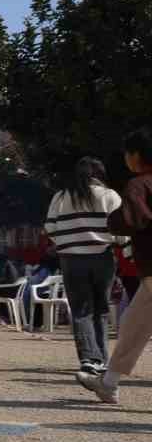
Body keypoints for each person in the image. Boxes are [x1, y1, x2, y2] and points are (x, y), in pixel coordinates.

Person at [79, 128, 152, 404]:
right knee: (133, 324)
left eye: (127, 153)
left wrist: (113, 220)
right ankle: (108, 383)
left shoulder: (139, 185)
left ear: (136, 155)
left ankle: (109, 383)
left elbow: (132, 219)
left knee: (134, 324)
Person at [44, 156, 124, 376]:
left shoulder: (61, 196)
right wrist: (118, 243)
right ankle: (102, 359)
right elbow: (121, 229)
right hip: (103, 258)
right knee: (101, 310)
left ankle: (90, 358)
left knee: (81, 311)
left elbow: (50, 227)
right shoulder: (109, 195)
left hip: (71, 260)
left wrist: (67, 243)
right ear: (99, 174)